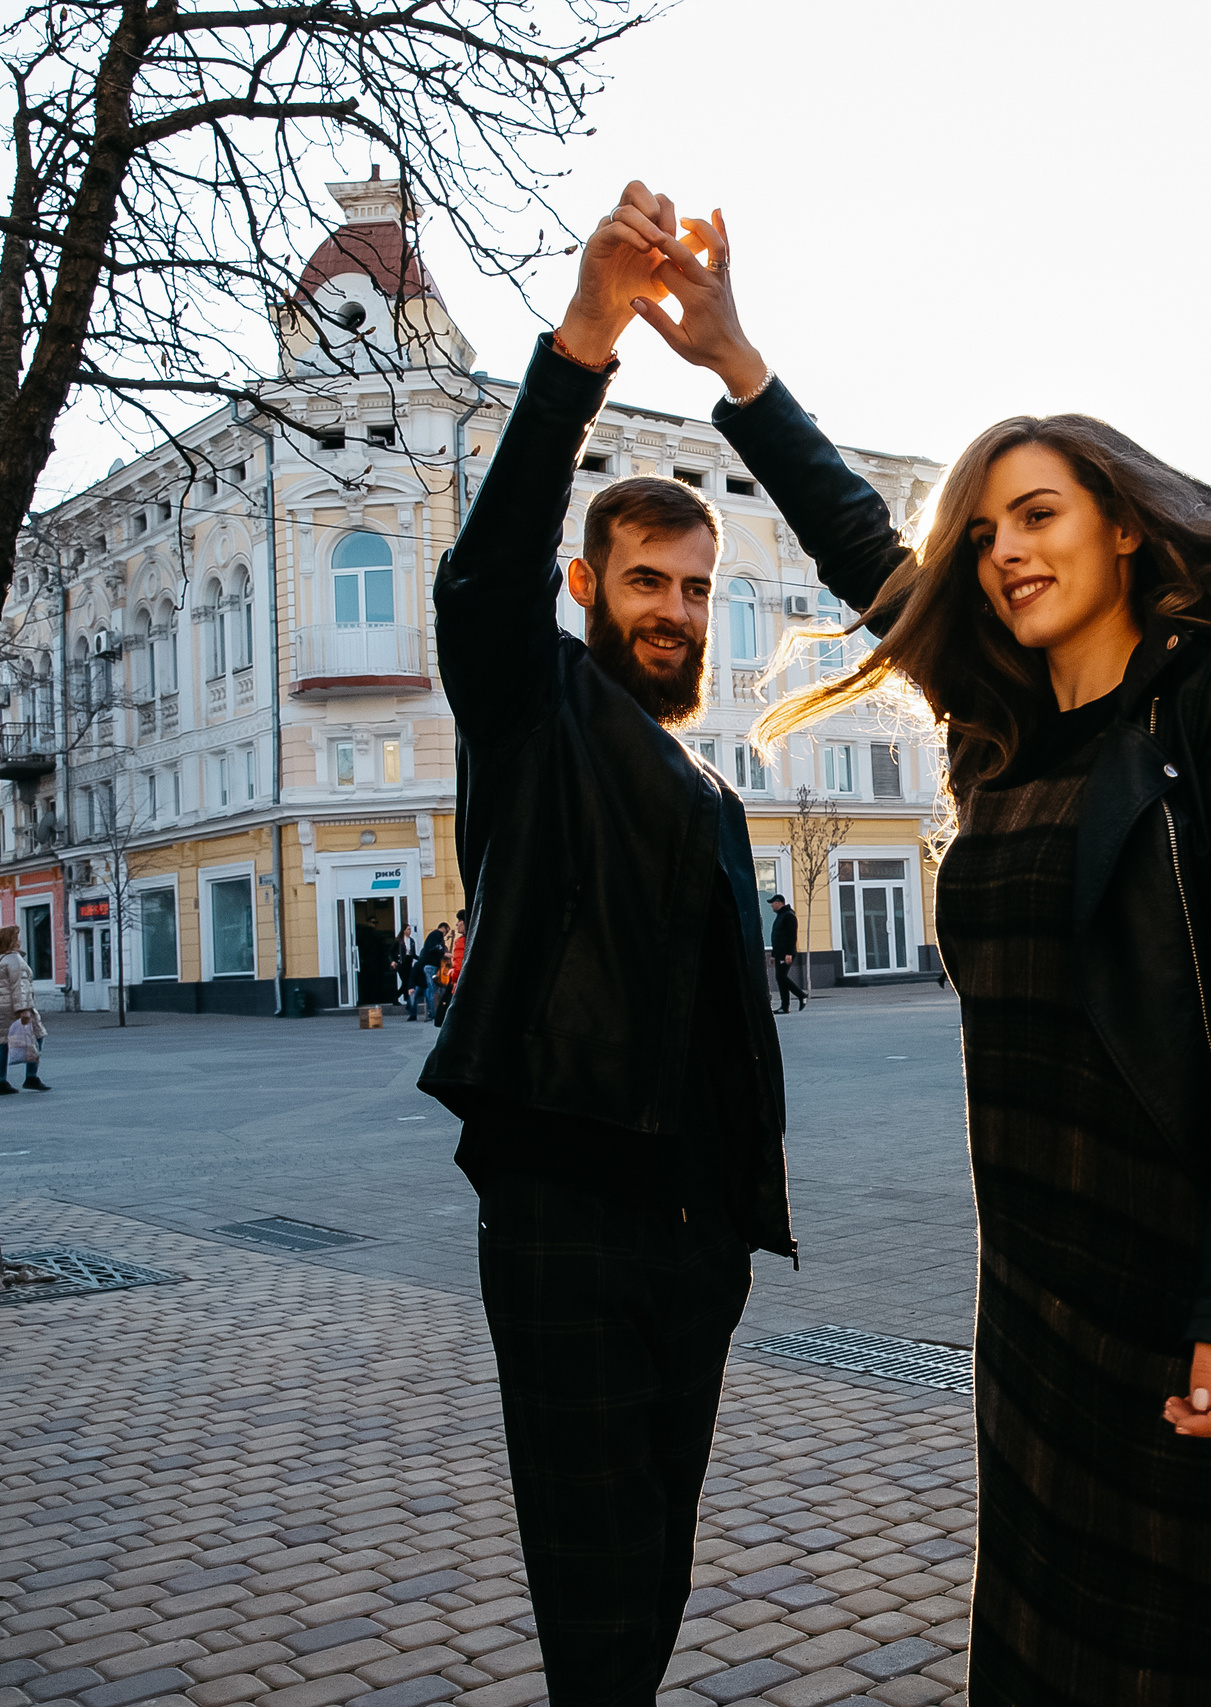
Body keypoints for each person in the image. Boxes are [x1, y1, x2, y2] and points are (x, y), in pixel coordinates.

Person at [626, 195, 1211, 1701]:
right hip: (1037, 1299)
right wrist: (738, 361)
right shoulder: (995, 722)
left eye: (1038, 514)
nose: (1004, 550)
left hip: (1199, 1272)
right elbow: (860, 549)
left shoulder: (1209, 697)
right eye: (986, 527)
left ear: (1122, 524)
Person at [413, 183, 794, 1707]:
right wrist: (585, 340)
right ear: (589, 587)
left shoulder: (702, 774)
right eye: (647, 580)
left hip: (692, 1235)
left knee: (655, 1569)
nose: (676, 609)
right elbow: (480, 575)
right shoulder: (537, 711)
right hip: (568, 1208)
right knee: (594, 1585)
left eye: (697, 588)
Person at [0, 925, 50, 1094]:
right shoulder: (14, 960)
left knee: (3, 1043)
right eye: (17, 937)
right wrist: (24, 1010)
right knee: (37, 1037)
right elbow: (19, 987)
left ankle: (0, 1082)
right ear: (11, 941)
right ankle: (31, 1077)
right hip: (15, 1006)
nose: (20, 940)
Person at [766, 894, 805, 1013]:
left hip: (785, 953)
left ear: (779, 903)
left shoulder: (788, 916)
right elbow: (777, 937)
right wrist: (773, 954)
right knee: (780, 978)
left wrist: (788, 953)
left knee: (781, 977)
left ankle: (801, 995)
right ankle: (785, 1006)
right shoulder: (781, 916)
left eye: (773, 903)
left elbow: (791, 936)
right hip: (779, 952)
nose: (771, 905)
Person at [421, 922, 454, 1026]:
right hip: (431, 965)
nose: (445, 933)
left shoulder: (434, 936)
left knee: (432, 989)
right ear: (442, 928)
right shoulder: (436, 934)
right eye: (446, 931)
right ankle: (433, 1013)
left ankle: (433, 1011)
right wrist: (444, 953)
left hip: (431, 965)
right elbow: (434, 948)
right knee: (432, 989)